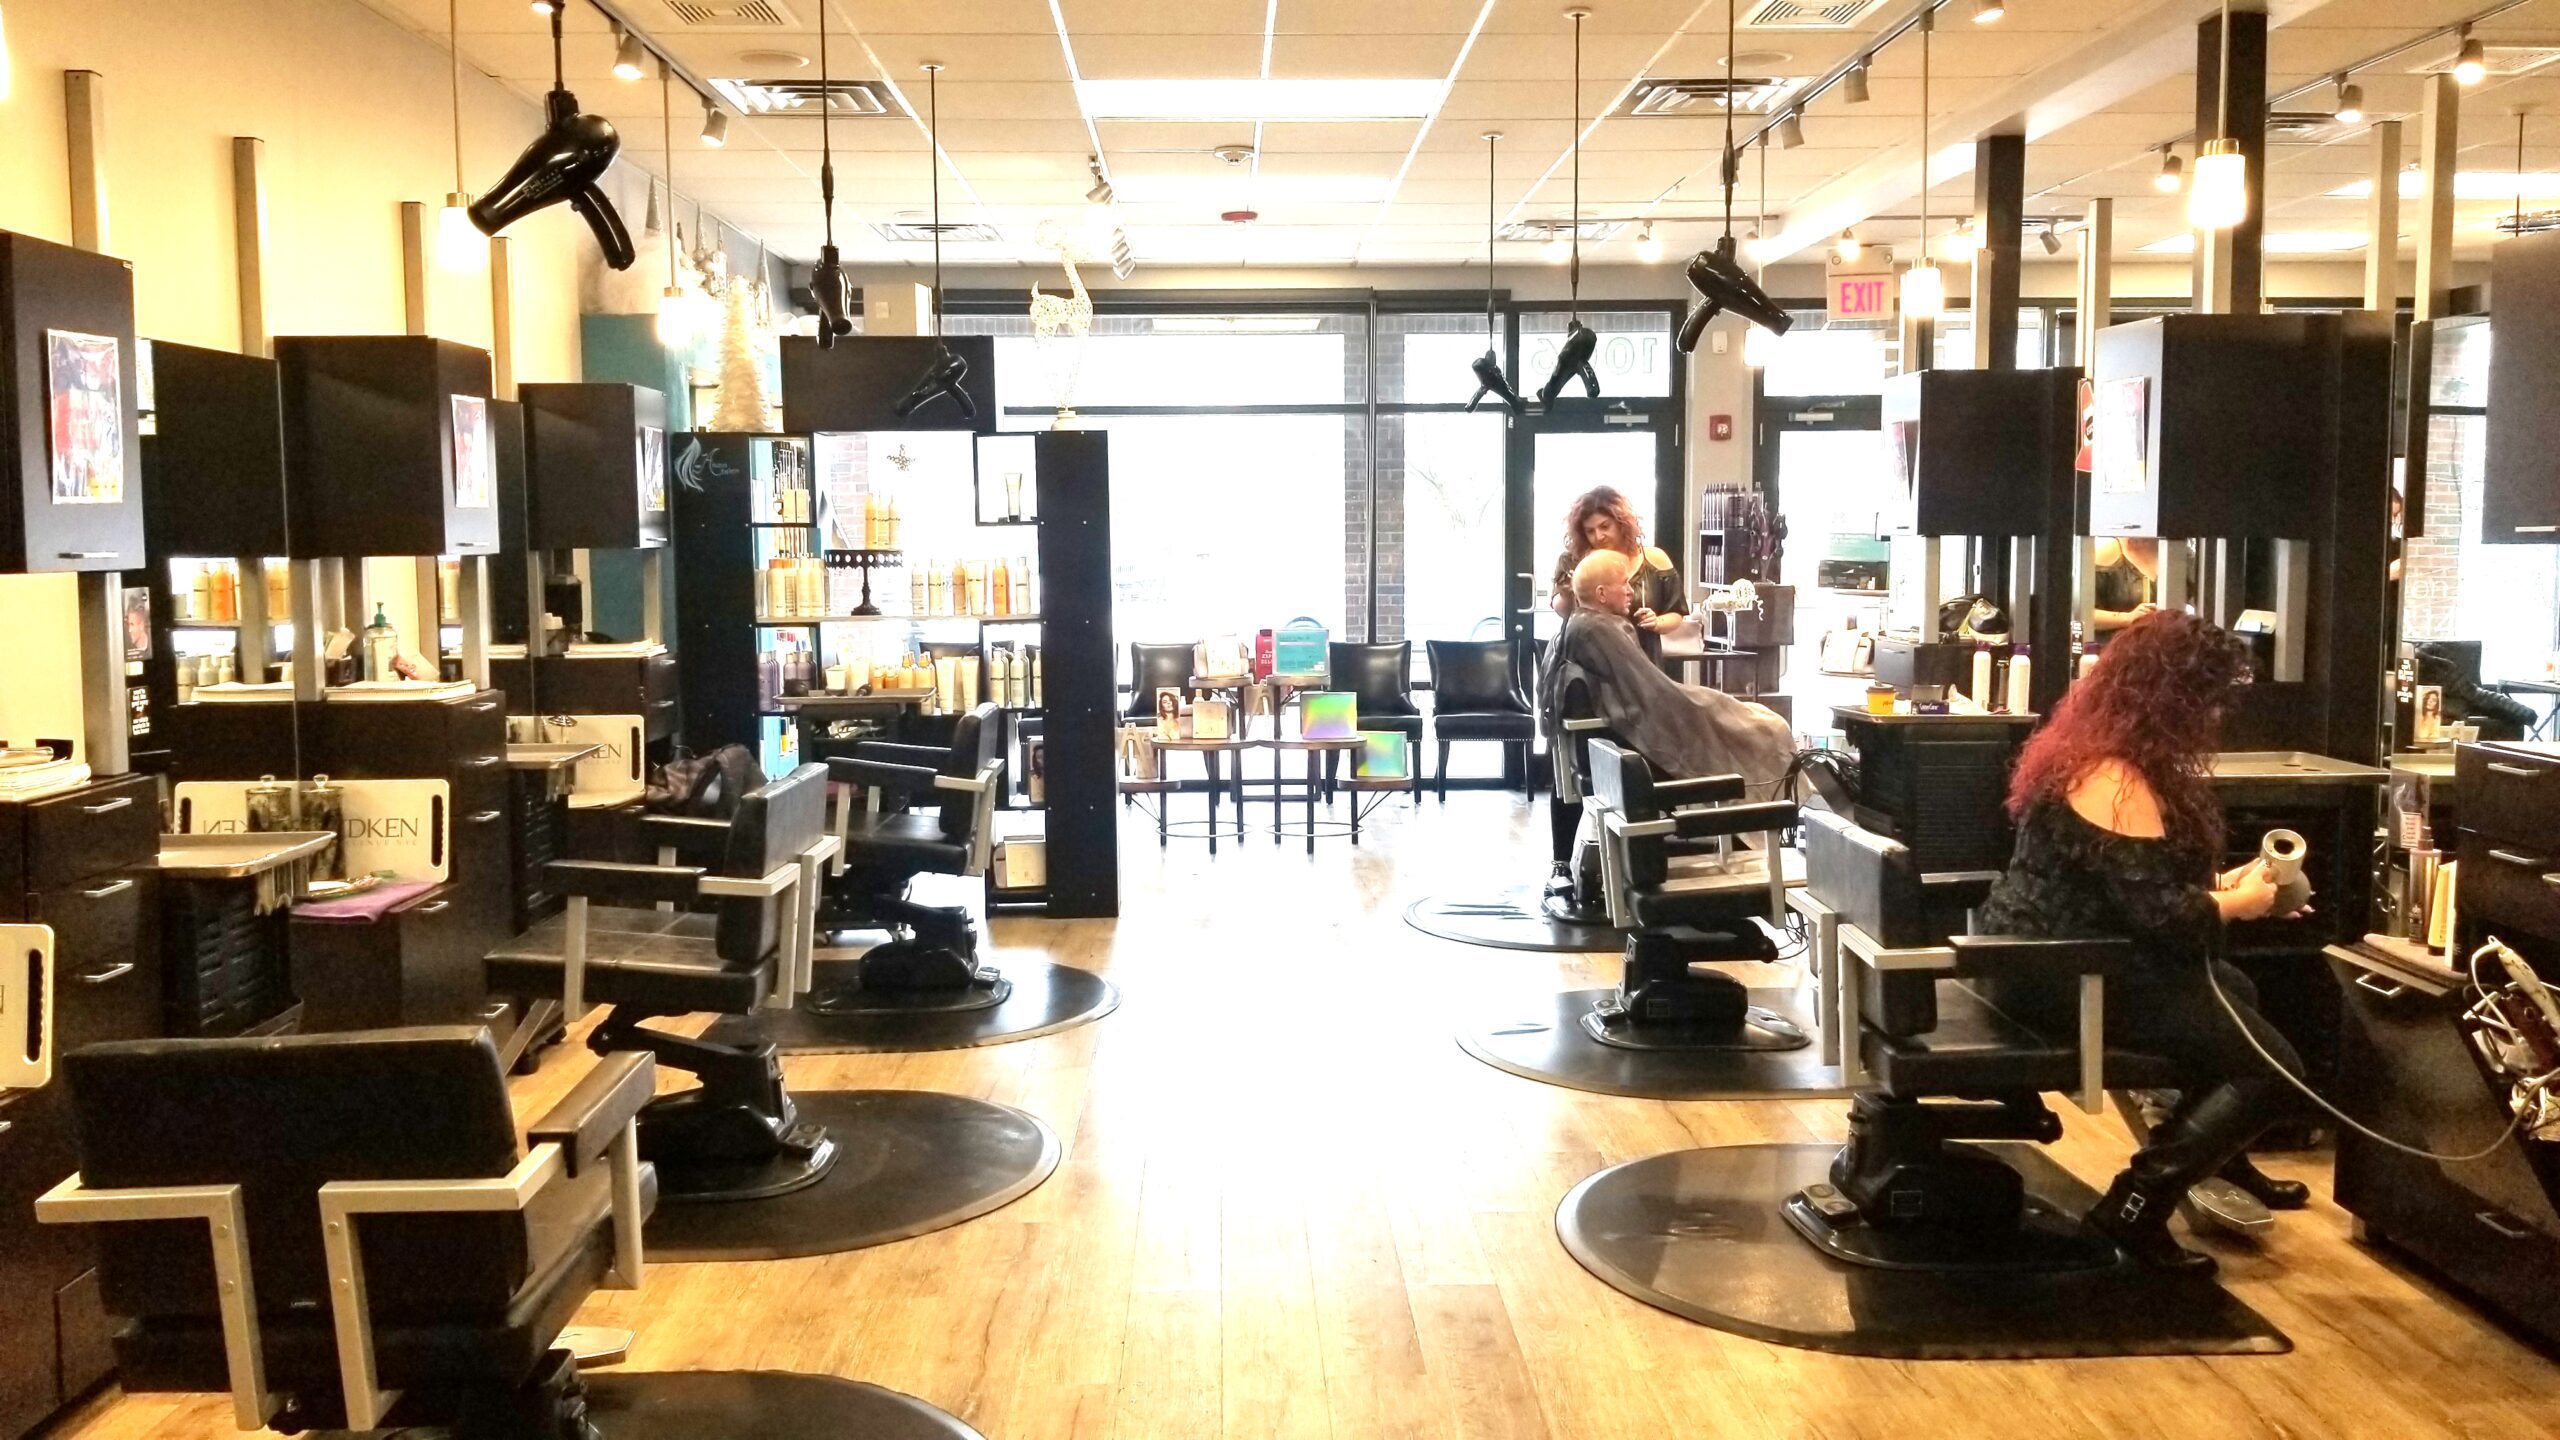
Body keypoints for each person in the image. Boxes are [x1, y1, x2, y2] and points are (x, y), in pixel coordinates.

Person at [1974, 610, 2309, 1273]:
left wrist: (2229, 885)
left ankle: (2219, 1157)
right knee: (2273, 1071)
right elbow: (2166, 919)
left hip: (2040, 958)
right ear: (2173, 699)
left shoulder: (2090, 755)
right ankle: (2133, 1209)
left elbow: (2128, 883)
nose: (2215, 716)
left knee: (2237, 990)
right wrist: (2242, 904)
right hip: (2066, 976)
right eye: (2209, 700)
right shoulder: (2115, 781)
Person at [1538, 550, 1795, 795]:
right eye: (1624, 583)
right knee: (1769, 730)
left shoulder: (1580, 625)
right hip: (1634, 751)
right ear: (1601, 594)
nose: (1631, 591)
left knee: (1750, 719)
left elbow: (1649, 691)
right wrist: (1715, 705)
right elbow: (1656, 695)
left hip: (1616, 742)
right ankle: (1771, 805)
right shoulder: (1599, 631)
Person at [1550, 486, 1685, 662]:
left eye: (1605, 526)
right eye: (1590, 531)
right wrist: (1568, 593)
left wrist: (1657, 623)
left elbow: (1676, 612)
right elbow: (1561, 610)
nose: (1599, 536)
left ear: (1621, 524)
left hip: (1641, 662)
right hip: (1587, 661)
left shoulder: (1654, 560)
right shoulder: (1573, 561)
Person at [2090, 536, 2158, 635]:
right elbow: (2082, 613)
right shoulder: (2107, 551)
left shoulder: (2171, 549)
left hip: (2159, 640)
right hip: (2115, 640)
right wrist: (2127, 618)